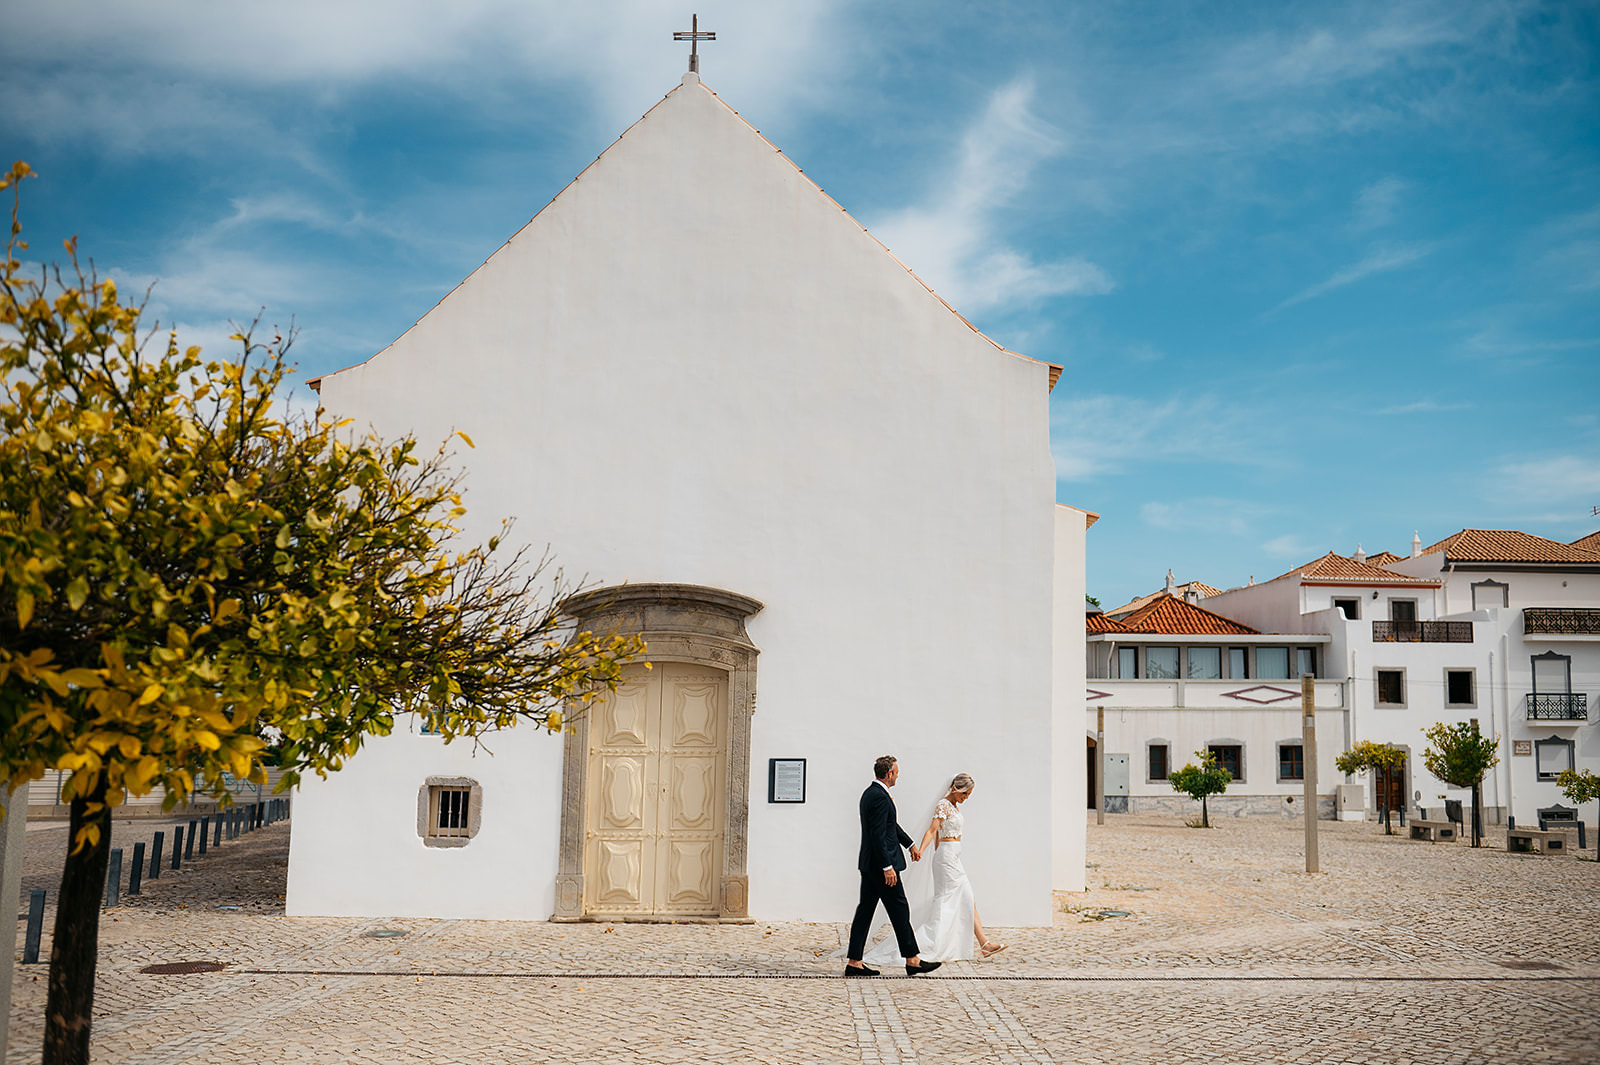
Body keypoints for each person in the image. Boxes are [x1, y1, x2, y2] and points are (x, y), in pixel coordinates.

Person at [861, 772, 1006, 964]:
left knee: (967, 896)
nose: (967, 798)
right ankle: (944, 943)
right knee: (953, 898)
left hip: (954, 856)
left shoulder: (954, 806)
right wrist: (919, 849)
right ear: (956, 789)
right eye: (965, 794)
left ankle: (984, 943)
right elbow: (932, 830)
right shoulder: (943, 805)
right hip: (946, 858)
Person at [845, 755, 942, 977]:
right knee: (900, 910)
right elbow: (878, 835)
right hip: (881, 867)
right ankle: (913, 960)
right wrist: (887, 867)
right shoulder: (879, 797)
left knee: (865, 912)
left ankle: (854, 963)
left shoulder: (872, 793)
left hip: (870, 865)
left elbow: (890, 826)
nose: (898, 776)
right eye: (897, 772)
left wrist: (909, 844)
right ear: (889, 773)